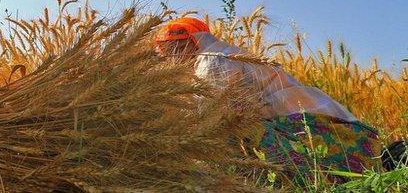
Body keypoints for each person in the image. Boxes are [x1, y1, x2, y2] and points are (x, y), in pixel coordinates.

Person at [154, 17, 387, 178]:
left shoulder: (211, 61)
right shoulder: (221, 53)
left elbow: (214, 114)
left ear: (184, 43)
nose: (167, 60)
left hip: (303, 126)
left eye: (169, 50)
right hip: (322, 120)